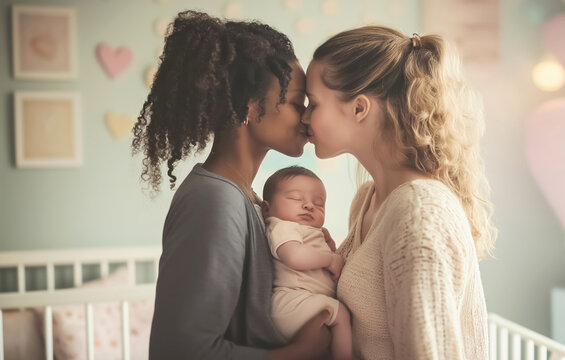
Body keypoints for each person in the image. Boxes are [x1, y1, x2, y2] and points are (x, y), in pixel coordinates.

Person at [132, 11, 331, 360]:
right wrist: (300, 353)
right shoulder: (215, 202)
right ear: (251, 108)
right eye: (297, 103)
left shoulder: (248, 198)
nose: (306, 117)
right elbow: (182, 351)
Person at [301, 26, 498, 359]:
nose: (304, 117)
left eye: (314, 103)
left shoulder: (419, 211)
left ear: (359, 109)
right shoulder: (368, 199)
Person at [261, 166, 352, 360]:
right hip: (290, 301)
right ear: (267, 209)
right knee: (341, 314)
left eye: (319, 204)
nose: (309, 206)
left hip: (304, 301)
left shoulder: (306, 232)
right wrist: (329, 259)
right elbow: (295, 257)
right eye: (295, 198)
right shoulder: (282, 226)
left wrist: (330, 247)